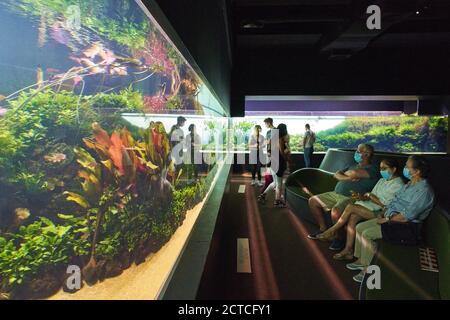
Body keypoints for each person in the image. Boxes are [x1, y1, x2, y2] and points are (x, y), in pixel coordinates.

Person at [348, 155, 435, 283]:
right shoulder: (410, 184)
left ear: (417, 171)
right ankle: (362, 260)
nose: (404, 168)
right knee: (359, 227)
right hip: (392, 219)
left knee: (368, 234)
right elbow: (394, 202)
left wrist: (387, 219)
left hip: (408, 228)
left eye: (407, 166)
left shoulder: (424, 191)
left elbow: (407, 216)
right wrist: (384, 212)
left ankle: (368, 270)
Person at [316, 159, 404, 260]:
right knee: (353, 216)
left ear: (394, 169)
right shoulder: (382, 180)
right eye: (380, 168)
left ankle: (332, 230)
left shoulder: (398, 184)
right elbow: (370, 196)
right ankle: (348, 250)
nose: (381, 171)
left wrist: (370, 196)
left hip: (381, 213)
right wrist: (361, 196)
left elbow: (385, 205)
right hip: (369, 207)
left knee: (351, 207)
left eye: (384, 168)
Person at [307, 144, 379, 251]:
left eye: (359, 151)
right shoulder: (352, 164)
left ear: (367, 154)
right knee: (313, 201)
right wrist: (348, 178)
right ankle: (323, 228)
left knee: (336, 212)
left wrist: (348, 175)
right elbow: (336, 174)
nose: (356, 153)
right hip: (335, 193)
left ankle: (339, 238)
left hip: (352, 197)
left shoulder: (372, 168)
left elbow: (353, 173)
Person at [258, 124, 290, 208]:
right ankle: (277, 202)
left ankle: (263, 195)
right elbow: (282, 153)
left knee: (275, 182)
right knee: (279, 184)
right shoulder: (281, 139)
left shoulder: (273, 138)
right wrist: (287, 154)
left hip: (273, 162)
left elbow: (269, 149)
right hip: (279, 163)